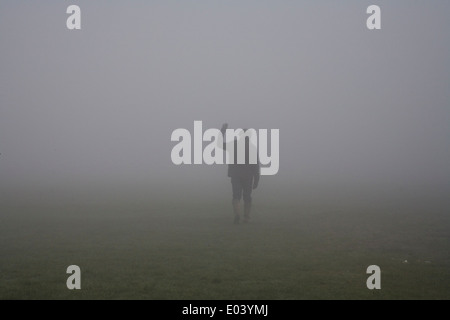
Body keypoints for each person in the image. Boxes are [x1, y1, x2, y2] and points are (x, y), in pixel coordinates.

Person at [219, 123, 260, 224]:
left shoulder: (233, 144)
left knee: (236, 196)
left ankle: (237, 213)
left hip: (236, 174)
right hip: (248, 176)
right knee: (247, 196)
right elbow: (256, 166)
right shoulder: (252, 148)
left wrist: (222, 130)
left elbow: (219, 144)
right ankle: (246, 217)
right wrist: (256, 180)